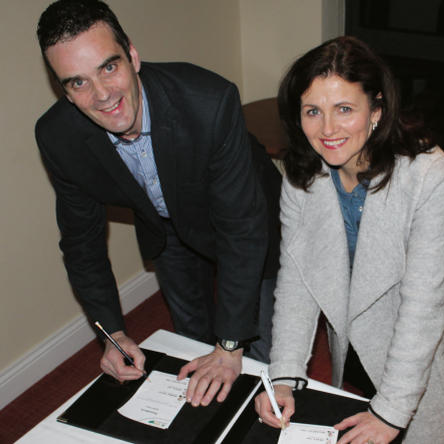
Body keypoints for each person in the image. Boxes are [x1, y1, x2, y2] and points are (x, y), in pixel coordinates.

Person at [35, 0, 279, 407]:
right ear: (64, 89)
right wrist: (112, 335)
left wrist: (231, 343)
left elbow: (242, 227)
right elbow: (82, 246)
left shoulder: (209, 102)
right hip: (165, 227)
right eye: (78, 83)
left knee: (258, 359)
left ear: (132, 55)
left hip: (247, 217)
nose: (102, 96)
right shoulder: (58, 136)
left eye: (108, 67)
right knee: (190, 345)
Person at [254, 36, 444, 443]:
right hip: (360, 328)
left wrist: (393, 412)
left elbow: (424, 307)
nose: (327, 130)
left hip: (430, 337)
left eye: (344, 109)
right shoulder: (300, 175)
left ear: (376, 110)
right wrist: (285, 374)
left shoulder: (428, 175)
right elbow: (297, 282)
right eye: (313, 111)